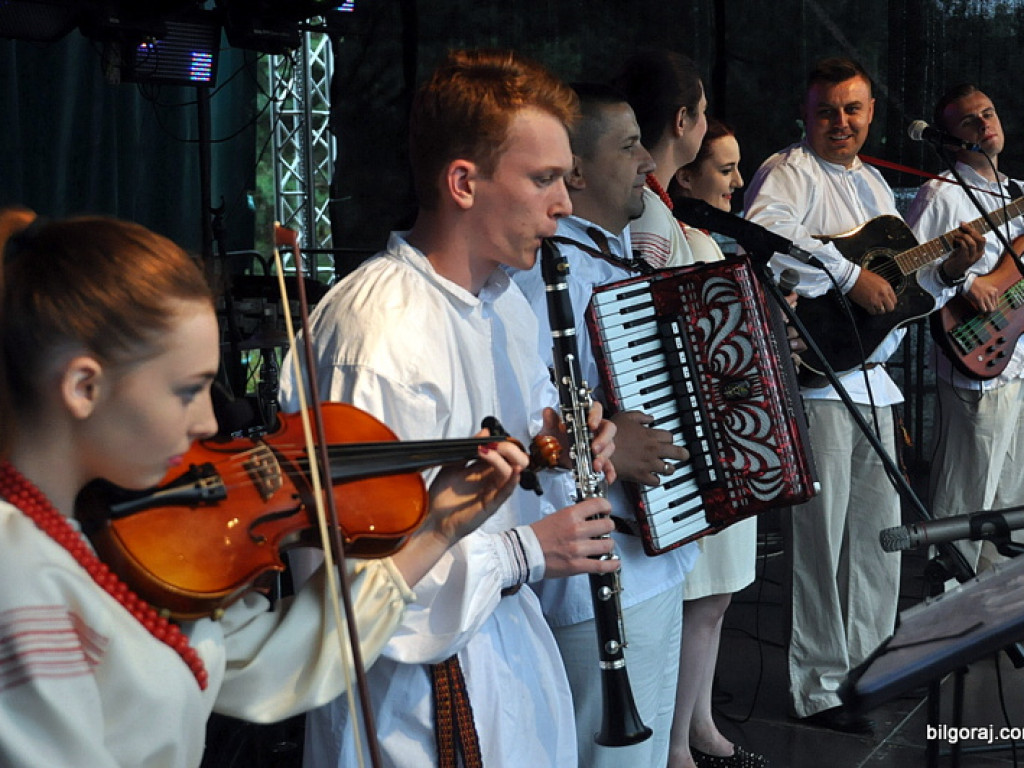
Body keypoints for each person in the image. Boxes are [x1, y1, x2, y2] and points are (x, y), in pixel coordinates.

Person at [0, 208, 528, 768]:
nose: (208, 422)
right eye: (187, 390)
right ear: (84, 386)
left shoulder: (106, 537)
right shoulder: (21, 578)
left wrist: (436, 529)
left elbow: (266, 664)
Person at [281, 50, 619, 768]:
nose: (564, 204)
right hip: (413, 707)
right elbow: (350, 589)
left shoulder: (506, 305)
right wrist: (527, 551)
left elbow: (519, 451)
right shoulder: (377, 338)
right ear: (464, 182)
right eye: (543, 179)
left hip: (503, 662)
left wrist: (562, 446)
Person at [743, 57, 983, 734]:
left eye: (852, 109)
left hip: (873, 383)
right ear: (806, 113)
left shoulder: (876, 183)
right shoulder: (787, 172)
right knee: (822, 541)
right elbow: (766, 242)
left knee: (881, 538)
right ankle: (819, 687)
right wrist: (848, 276)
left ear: (871, 111)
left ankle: (872, 669)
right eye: (827, 110)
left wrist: (954, 270)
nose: (840, 122)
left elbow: (906, 298)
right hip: (818, 381)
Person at [511, 82, 692, 768]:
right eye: (628, 146)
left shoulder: (617, 258)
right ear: (576, 170)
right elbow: (522, 414)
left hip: (654, 557)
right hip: (597, 576)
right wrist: (612, 430)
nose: (650, 160)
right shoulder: (544, 272)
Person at [657, 119, 769, 768]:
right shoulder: (676, 239)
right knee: (699, 597)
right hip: (704, 440)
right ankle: (676, 745)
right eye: (723, 169)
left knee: (721, 596)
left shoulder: (717, 238)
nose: (735, 181)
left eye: (735, 167)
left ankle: (699, 722)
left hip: (734, 432)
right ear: (687, 177)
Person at [906, 84, 1024, 571]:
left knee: (1010, 505)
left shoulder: (1016, 191)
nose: (984, 124)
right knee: (964, 499)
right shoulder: (941, 194)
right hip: (975, 356)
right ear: (951, 139)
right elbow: (911, 272)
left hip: (1017, 362)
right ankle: (946, 602)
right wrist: (964, 282)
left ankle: (997, 628)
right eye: (970, 121)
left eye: (989, 113)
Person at [611, 49, 722, 270]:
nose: (705, 125)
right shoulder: (646, 209)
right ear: (681, 120)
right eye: (703, 112)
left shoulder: (647, 203)